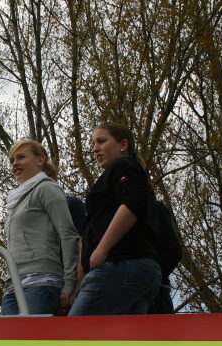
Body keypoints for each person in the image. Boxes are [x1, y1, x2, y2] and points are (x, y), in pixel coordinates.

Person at [69, 122, 162, 316]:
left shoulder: (124, 165)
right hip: (140, 271)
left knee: (73, 338)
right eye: (93, 143)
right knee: (119, 344)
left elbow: (131, 205)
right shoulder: (126, 174)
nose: (95, 149)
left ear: (123, 145)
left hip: (119, 266)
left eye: (102, 141)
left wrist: (101, 250)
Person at [1, 139, 79, 315]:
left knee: (33, 341)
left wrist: (69, 284)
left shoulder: (46, 188)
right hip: (13, 283)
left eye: (20, 157)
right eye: (12, 160)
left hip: (42, 281)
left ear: (40, 160)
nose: (15, 163)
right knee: (5, 341)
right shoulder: (15, 201)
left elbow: (68, 234)